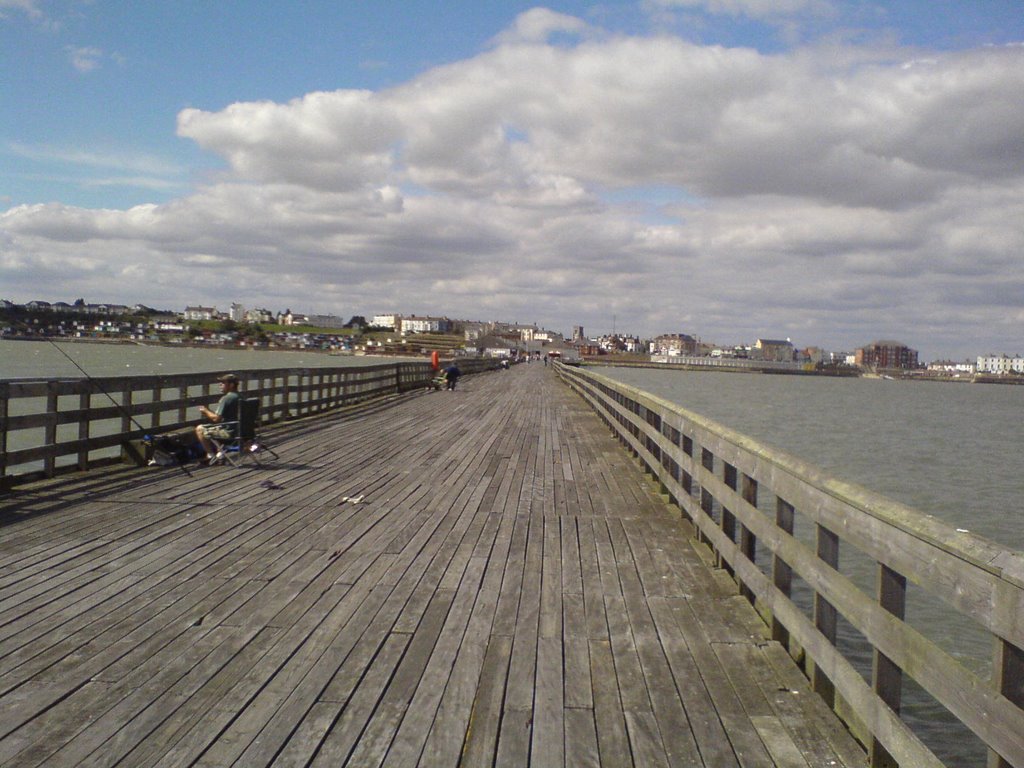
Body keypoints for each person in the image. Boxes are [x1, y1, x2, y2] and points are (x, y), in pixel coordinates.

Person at [195, 373, 241, 463]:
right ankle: (220, 454)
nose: (220, 385)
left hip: (229, 433)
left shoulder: (226, 398)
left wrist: (205, 411)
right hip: (242, 431)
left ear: (231, 385)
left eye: (223, 383)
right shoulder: (241, 397)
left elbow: (216, 419)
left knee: (200, 429)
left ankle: (210, 456)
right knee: (216, 428)